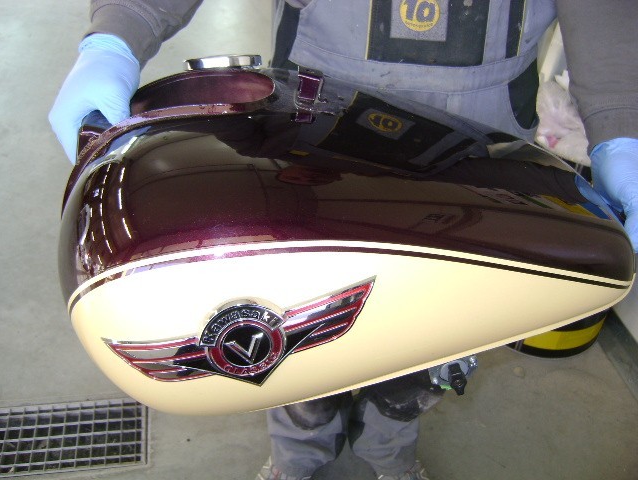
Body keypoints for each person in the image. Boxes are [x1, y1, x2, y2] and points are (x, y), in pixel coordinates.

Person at [49, 2, 638, 479]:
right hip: (314, 127)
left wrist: (620, 129)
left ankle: (390, 454)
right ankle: (297, 459)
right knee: (293, 330)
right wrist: (118, 34)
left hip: (479, 145)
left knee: (435, 341)